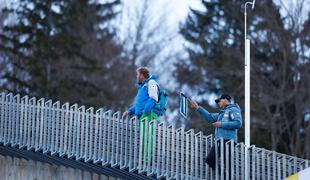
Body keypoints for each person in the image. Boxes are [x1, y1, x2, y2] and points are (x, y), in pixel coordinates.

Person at [189, 94, 242, 177]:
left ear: (225, 100)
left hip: (227, 141)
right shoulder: (221, 113)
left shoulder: (233, 109)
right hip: (220, 141)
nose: (218, 103)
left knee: (225, 163)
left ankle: (227, 177)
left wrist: (221, 124)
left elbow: (238, 123)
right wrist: (197, 108)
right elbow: (210, 117)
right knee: (210, 160)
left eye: (219, 101)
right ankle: (225, 176)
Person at [123, 67, 160, 161]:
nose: (137, 76)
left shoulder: (151, 83)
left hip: (148, 114)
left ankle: (149, 159)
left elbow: (153, 98)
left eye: (137, 74)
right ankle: (145, 158)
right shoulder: (142, 87)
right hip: (142, 115)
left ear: (142, 75)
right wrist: (129, 111)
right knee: (144, 138)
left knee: (147, 136)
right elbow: (139, 105)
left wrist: (146, 112)